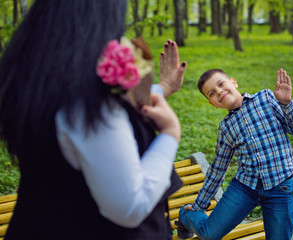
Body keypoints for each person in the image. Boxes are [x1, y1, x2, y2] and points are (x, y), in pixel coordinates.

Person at [0, 0, 187, 239]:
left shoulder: (37, 78)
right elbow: (130, 205)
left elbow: (113, 119)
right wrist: (170, 134)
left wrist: (162, 88)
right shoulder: (87, 101)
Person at [175, 68, 293, 240]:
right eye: (212, 93)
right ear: (212, 103)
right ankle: (186, 216)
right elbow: (217, 170)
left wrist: (287, 103)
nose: (219, 91)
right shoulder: (226, 127)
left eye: (221, 84)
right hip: (245, 188)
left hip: (280, 186)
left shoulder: (266, 98)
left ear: (234, 82)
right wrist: (199, 206)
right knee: (209, 234)